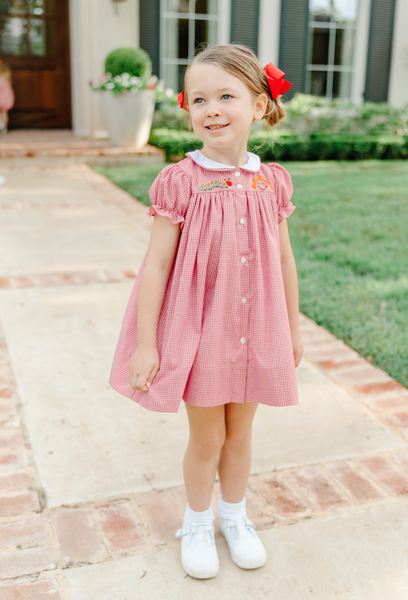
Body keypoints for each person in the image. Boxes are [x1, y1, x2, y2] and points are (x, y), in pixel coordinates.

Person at [109, 43, 303, 579]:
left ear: (260, 104)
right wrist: (149, 343)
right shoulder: (182, 180)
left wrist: (292, 324)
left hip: (258, 328)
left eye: (226, 96)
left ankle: (234, 518)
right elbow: (155, 268)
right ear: (188, 109)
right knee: (208, 437)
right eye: (199, 99)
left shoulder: (273, 180)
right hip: (204, 332)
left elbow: (284, 258)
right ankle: (197, 523)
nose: (211, 108)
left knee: (241, 435)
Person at [0, 60, 14, 134]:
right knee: (4, 113)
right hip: (7, 99)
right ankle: (4, 127)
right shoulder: (7, 79)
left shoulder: (1, 79)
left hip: (1, 99)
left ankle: (1, 126)